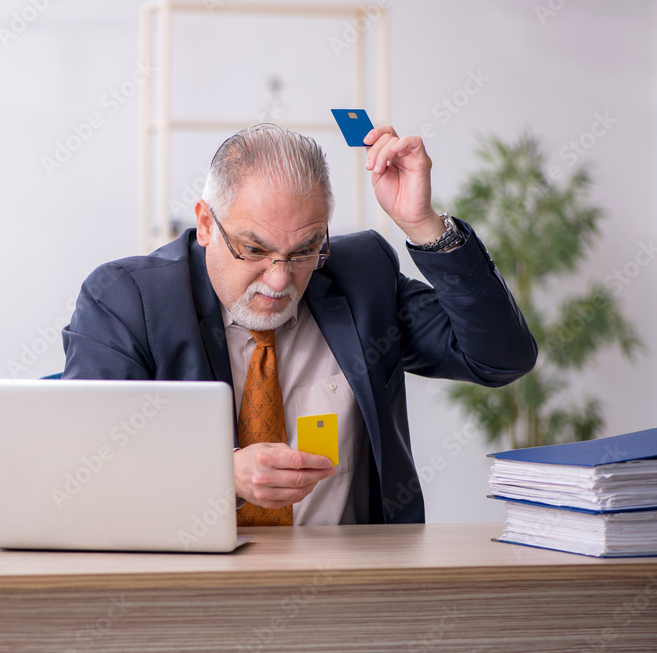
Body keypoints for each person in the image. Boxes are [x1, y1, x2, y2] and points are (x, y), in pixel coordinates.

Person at [62, 123, 537, 525]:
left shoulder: (360, 278)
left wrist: (423, 225)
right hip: (190, 588)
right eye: (253, 249)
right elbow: (83, 469)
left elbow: (499, 359)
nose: (279, 279)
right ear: (206, 224)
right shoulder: (126, 299)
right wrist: (218, 475)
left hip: (351, 592)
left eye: (305, 250)